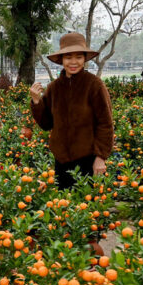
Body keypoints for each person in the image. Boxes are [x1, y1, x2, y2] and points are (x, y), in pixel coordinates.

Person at [29, 32, 114, 190]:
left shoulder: (94, 85)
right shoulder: (54, 88)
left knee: (87, 208)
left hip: (88, 160)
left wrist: (101, 157)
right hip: (61, 161)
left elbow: (105, 124)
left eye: (79, 57)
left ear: (84, 59)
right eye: (68, 57)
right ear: (61, 60)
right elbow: (47, 124)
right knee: (65, 209)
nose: (73, 62)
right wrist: (36, 101)